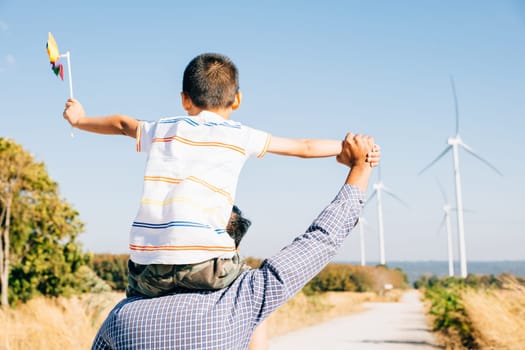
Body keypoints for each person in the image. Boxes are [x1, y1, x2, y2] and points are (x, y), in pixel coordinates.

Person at [62, 52, 380, 298]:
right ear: (237, 99)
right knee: (252, 292)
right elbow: (303, 146)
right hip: (207, 267)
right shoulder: (239, 134)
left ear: (185, 99)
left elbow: (120, 124)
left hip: (146, 270)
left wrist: (80, 120)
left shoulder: (162, 129)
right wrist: (348, 149)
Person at [91, 132, 376, 350]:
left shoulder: (121, 318)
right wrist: (360, 168)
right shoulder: (247, 297)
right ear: (231, 248)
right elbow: (322, 239)